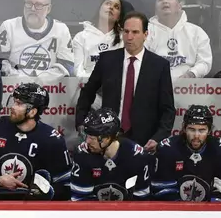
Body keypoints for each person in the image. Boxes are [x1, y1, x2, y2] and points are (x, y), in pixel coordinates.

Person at [75, 11, 175, 152]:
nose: (129, 37)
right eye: (126, 31)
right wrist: (81, 123)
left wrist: (158, 137)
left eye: (135, 32)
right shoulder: (107, 60)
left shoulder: (159, 65)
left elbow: (168, 108)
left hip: (144, 140)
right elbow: (87, 93)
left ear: (145, 35)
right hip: (107, 137)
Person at [0, 83, 71, 200]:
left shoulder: (52, 139)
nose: (13, 106)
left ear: (32, 112)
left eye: (19, 104)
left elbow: (66, 184)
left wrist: (47, 193)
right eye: (14, 101)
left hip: (31, 207)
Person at [152, 105, 221, 202]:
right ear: (184, 128)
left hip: (208, 213)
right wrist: (183, 212)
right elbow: (162, 191)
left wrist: (208, 211)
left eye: (202, 130)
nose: (196, 135)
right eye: (192, 129)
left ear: (210, 130)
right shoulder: (167, 149)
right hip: (174, 213)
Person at [70, 108, 152, 201]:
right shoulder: (82, 154)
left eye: (92, 138)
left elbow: (142, 202)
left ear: (107, 138)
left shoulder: (137, 156)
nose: (87, 141)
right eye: (87, 136)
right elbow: (80, 200)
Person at [0, 0, 74, 78]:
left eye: (39, 5)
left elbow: (68, 67)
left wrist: (39, 78)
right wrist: (21, 78)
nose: (32, 9)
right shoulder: (8, 27)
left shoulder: (61, 30)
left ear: (48, 9)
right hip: (14, 87)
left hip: (50, 88)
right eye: (29, 3)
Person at [146, 0, 212, 79]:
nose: (165, 1)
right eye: (160, 0)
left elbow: (205, 62)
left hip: (188, 88)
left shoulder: (196, 32)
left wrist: (191, 74)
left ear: (179, 7)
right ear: (155, 10)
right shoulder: (145, 31)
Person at [72, 0, 133, 78]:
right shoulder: (81, 37)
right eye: (108, 3)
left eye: (116, 7)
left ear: (118, 17)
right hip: (88, 87)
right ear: (99, 9)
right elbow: (78, 72)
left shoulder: (124, 39)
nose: (111, 7)